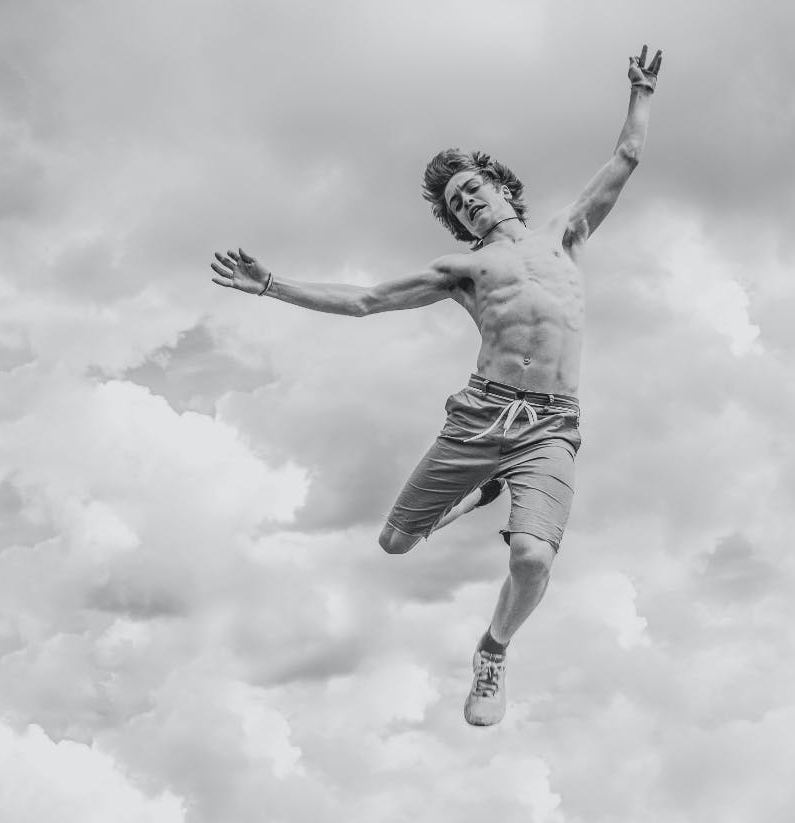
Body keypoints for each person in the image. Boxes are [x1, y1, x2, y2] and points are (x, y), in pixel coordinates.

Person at [210, 46, 663, 726]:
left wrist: (640, 94)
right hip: (480, 416)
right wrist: (272, 285)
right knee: (393, 543)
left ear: (502, 187)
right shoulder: (462, 269)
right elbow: (365, 299)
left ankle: (492, 650)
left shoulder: (564, 235)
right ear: (458, 222)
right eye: (458, 204)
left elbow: (625, 158)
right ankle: (479, 488)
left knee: (533, 557)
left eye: (475, 188)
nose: (471, 202)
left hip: (551, 424)